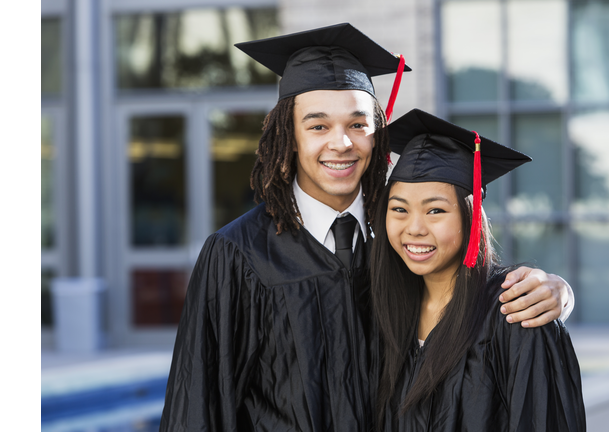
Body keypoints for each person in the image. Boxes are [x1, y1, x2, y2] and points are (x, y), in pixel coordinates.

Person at [160, 24, 576, 431]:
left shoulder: (399, 243)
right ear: (289, 135)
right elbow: (198, 403)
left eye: (358, 124)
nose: (341, 143)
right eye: (318, 126)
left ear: (377, 133)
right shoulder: (239, 255)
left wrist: (557, 293)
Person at [371, 109, 586, 431]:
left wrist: (561, 292)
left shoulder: (515, 310)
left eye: (435, 210)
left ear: (470, 217)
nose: (414, 228)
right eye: (399, 209)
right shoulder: (380, 308)